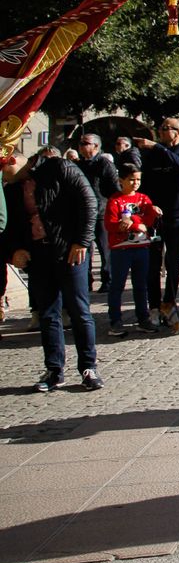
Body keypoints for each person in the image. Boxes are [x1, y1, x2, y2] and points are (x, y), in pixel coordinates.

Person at [4, 149, 101, 391]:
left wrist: (82, 240)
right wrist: (13, 251)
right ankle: (54, 369)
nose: (3, 176)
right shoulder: (12, 188)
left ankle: (89, 367)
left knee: (79, 311)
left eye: (3, 169)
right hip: (38, 256)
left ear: (14, 160)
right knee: (48, 314)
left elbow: (88, 201)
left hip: (70, 251)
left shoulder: (59, 167)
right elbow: (8, 225)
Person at [130, 118, 179, 330]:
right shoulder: (152, 154)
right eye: (160, 128)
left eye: (165, 128)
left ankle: (169, 302)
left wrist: (157, 148)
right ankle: (154, 306)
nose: (160, 131)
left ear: (177, 133)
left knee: (172, 262)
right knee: (152, 263)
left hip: (177, 215)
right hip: (154, 218)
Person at [103, 163, 160, 336]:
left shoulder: (143, 198)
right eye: (131, 180)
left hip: (141, 247)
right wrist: (136, 224)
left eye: (138, 180)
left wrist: (135, 220)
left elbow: (148, 219)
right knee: (117, 285)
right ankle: (115, 321)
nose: (135, 183)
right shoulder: (115, 201)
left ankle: (143, 318)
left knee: (141, 285)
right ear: (121, 181)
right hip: (121, 249)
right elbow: (111, 225)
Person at [73, 132, 120, 291]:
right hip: (82, 213)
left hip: (101, 212)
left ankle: (108, 280)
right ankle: (85, 280)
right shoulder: (78, 165)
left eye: (85, 143)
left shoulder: (104, 164)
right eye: (80, 143)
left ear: (96, 146)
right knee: (85, 248)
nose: (81, 146)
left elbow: (114, 189)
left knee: (104, 249)